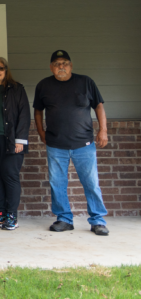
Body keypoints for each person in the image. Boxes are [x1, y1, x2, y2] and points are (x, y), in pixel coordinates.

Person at [34, 50, 109, 236]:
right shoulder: (43, 85)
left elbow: (99, 105)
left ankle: (98, 220)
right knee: (57, 183)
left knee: (91, 183)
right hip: (55, 145)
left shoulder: (85, 82)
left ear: (71, 65)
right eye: (57, 64)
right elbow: (37, 110)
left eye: (65, 63)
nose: (61, 67)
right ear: (51, 67)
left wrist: (103, 130)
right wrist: (41, 132)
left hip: (84, 144)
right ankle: (64, 218)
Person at [0, 57, 30, 231]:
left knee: (10, 177)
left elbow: (24, 115)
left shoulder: (16, 89)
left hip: (11, 141)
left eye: (1, 68)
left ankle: (12, 215)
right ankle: (0, 212)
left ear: (6, 70)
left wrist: (20, 140)